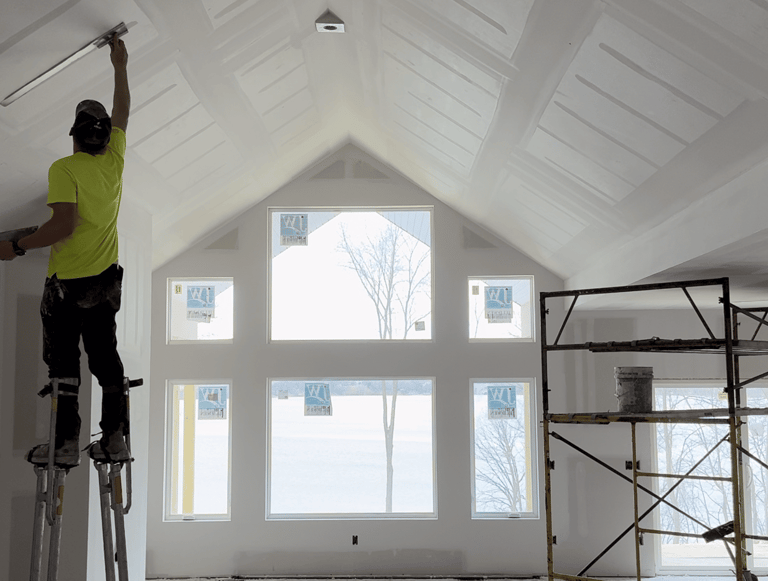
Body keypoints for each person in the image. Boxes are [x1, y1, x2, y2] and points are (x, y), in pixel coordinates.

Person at [0, 36, 131, 466]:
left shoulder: (65, 168)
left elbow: (64, 226)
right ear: (106, 138)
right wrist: (120, 66)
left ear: (74, 135)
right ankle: (114, 439)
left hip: (69, 287)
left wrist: (16, 246)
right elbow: (123, 112)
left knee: (63, 365)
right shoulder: (114, 161)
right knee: (105, 360)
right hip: (105, 283)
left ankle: (65, 444)